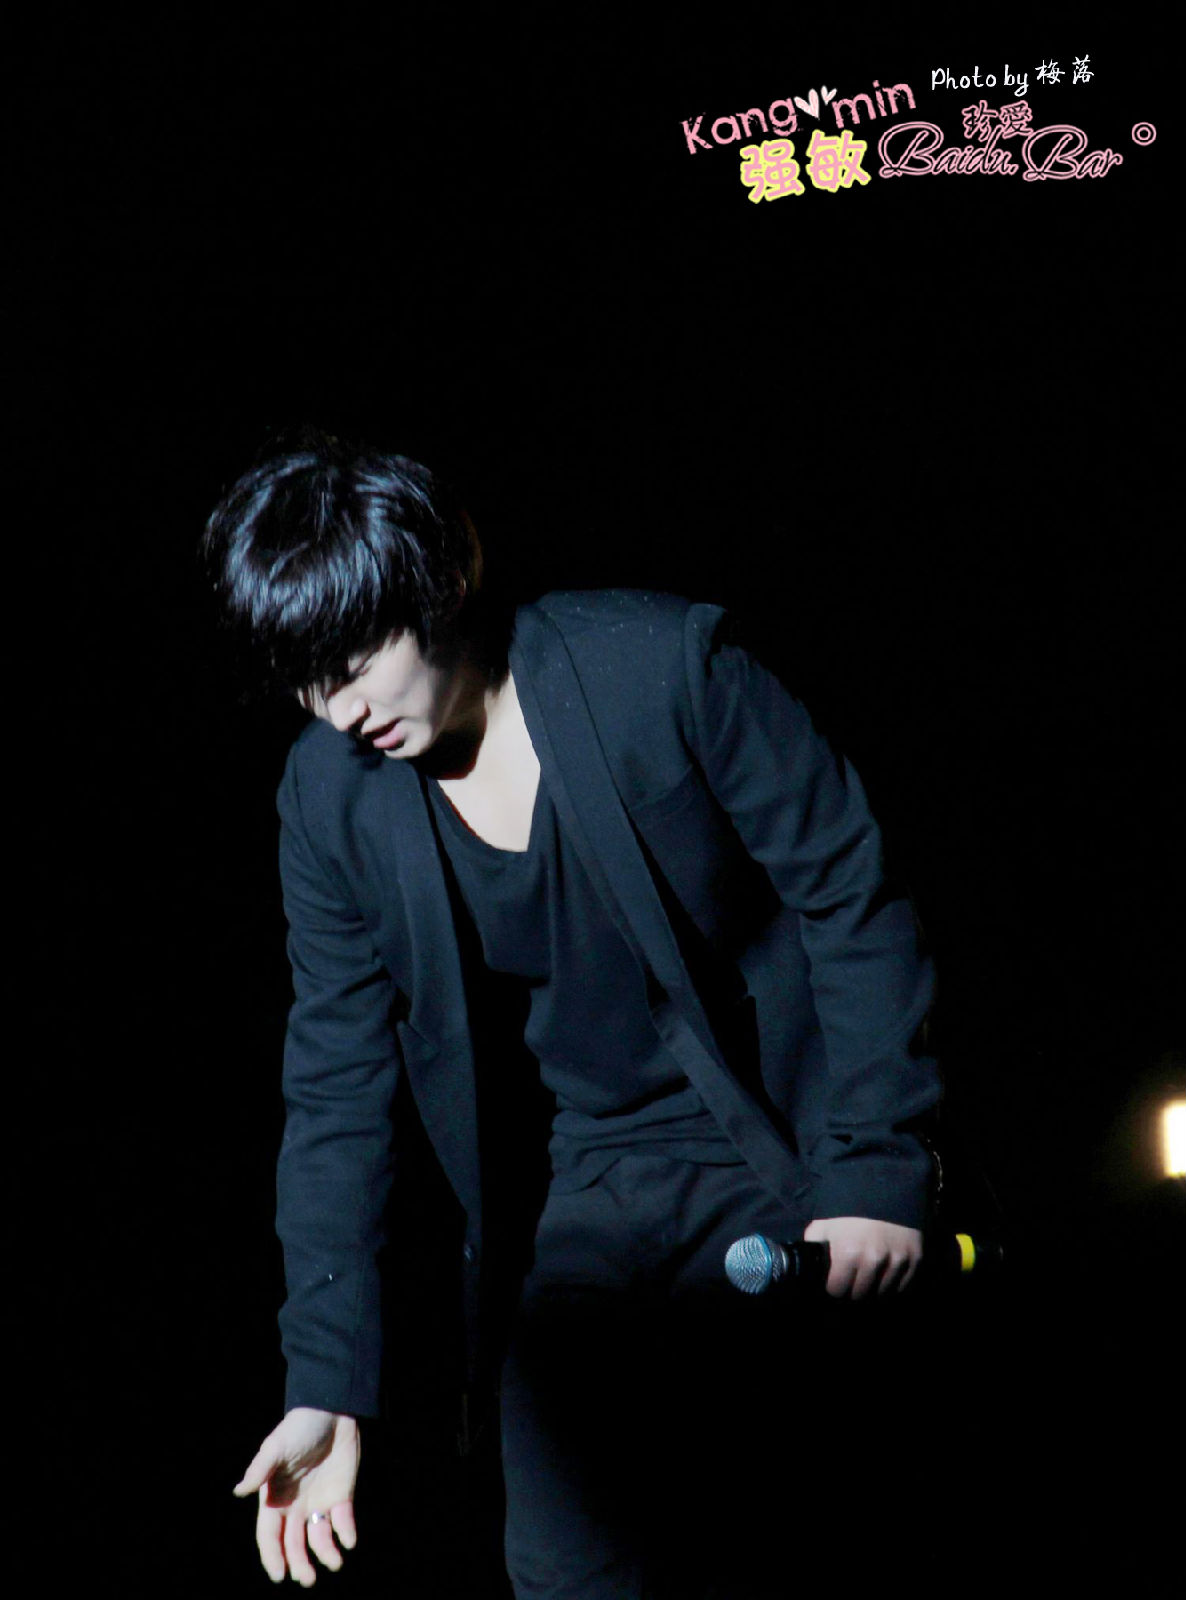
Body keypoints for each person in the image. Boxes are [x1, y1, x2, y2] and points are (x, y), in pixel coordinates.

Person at [204, 431, 942, 1596]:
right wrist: (324, 1385)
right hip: (580, 1183)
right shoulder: (329, 797)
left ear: (444, 578)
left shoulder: (664, 668)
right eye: (306, 678)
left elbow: (850, 890)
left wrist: (875, 1170)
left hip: (776, 1141)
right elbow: (335, 1079)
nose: (338, 709)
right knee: (562, 1555)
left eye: (356, 658)